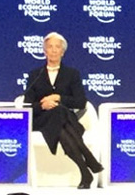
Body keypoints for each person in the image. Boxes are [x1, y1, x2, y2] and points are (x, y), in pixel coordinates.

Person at [24, 32, 103, 189]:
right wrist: (42, 105)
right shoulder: (35, 75)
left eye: (57, 47)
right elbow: (27, 105)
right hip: (42, 120)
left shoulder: (72, 74)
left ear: (62, 52)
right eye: (50, 47)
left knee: (60, 117)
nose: (53, 50)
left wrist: (58, 97)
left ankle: (85, 172)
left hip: (63, 121)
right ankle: (87, 157)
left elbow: (81, 102)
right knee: (60, 114)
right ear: (44, 51)